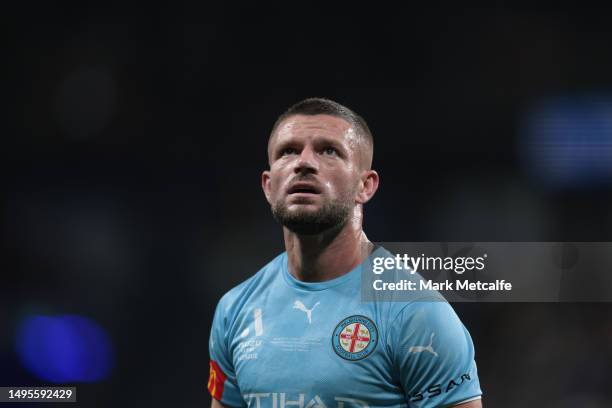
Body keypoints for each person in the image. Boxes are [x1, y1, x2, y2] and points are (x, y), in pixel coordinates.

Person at [207, 98, 483, 407]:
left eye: (329, 151)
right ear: (269, 186)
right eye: (288, 151)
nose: (304, 162)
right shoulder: (235, 310)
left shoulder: (416, 313)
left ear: (366, 186)